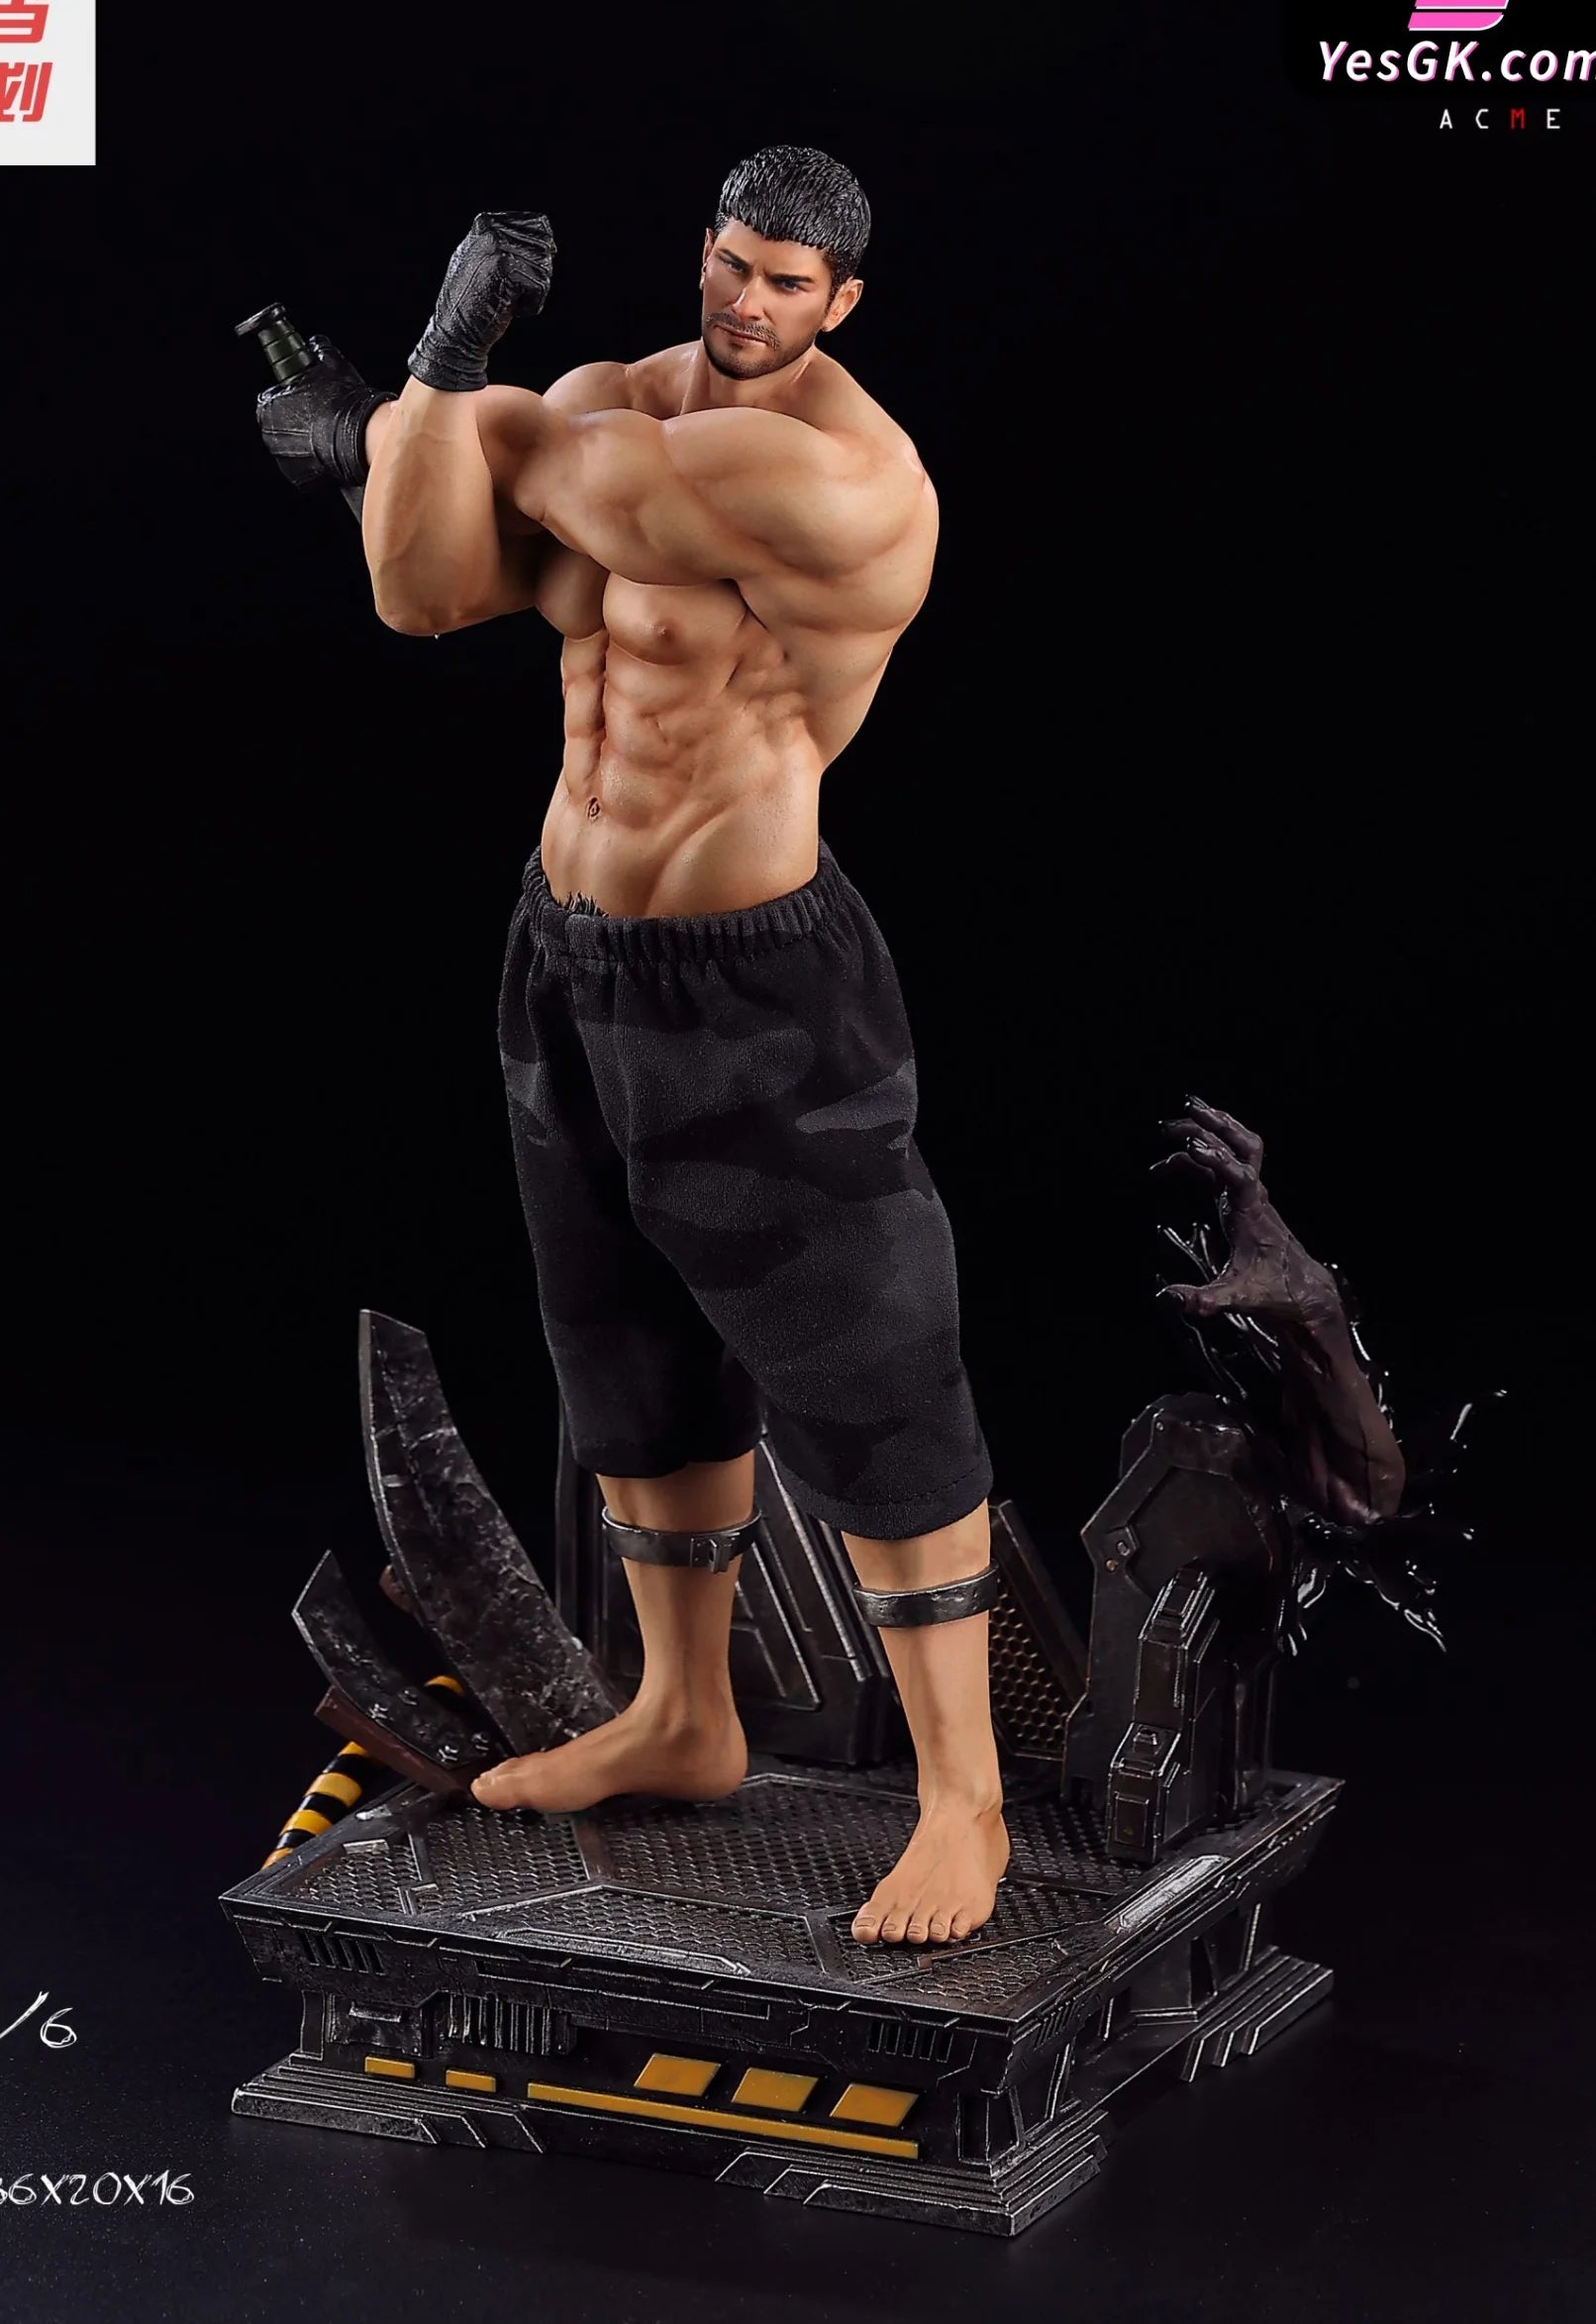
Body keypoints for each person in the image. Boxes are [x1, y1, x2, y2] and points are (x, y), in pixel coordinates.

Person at [256, 146, 1006, 1946]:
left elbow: (578, 497)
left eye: (787, 283)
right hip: (569, 950)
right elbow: (424, 595)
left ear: (843, 303)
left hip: (760, 983)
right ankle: (682, 1715)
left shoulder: (844, 477)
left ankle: (965, 1799)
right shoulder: (604, 397)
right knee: (618, 1345)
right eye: (730, 263)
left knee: (871, 1372)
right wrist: (442, 388)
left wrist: (394, 424)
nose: (745, 303)